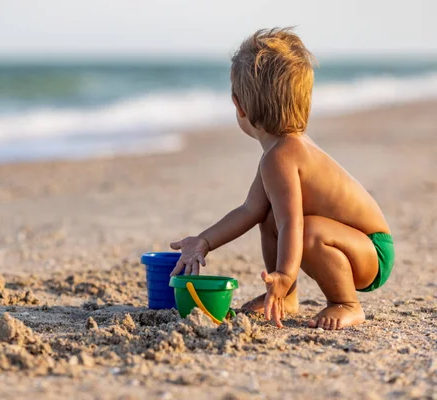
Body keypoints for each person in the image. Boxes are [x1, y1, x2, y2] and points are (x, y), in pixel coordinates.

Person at [169, 27, 395, 330]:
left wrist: (285, 274)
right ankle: (286, 297)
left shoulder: (282, 156)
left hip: (372, 251)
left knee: (305, 229)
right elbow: (249, 210)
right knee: (267, 215)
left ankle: (346, 303)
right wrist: (204, 241)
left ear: (239, 106)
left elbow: (293, 224)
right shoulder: (278, 154)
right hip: (352, 246)